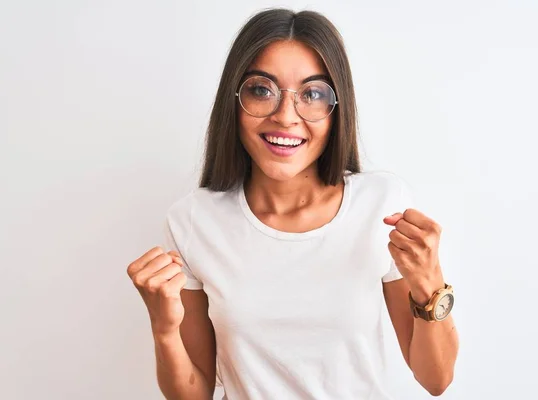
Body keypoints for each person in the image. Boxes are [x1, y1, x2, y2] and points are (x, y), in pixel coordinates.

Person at [127, 8, 459, 400]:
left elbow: (435, 379)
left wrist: (430, 283)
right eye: (261, 89)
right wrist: (163, 326)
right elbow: (194, 394)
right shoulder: (193, 221)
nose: (286, 117)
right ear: (233, 100)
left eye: (312, 94)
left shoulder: (380, 204)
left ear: (337, 110)